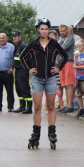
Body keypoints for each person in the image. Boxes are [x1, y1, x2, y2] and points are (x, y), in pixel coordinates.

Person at [20, 17, 67, 150]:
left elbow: (64, 55)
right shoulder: (33, 44)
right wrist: (29, 69)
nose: (44, 31)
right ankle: (36, 134)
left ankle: (52, 133)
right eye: (42, 29)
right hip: (37, 79)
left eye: (46, 29)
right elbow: (22, 57)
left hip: (51, 78)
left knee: (51, 106)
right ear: (38, 30)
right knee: (37, 107)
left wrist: (59, 68)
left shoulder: (54, 43)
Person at [0, 33, 15, 112]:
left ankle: (10, 107)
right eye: (0, 38)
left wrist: (11, 69)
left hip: (7, 73)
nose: (2, 39)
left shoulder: (11, 47)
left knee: (9, 90)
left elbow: (14, 59)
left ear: (6, 38)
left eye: (3, 38)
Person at [12, 31, 32, 114]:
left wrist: (28, 69)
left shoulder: (23, 46)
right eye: (13, 36)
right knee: (18, 88)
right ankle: (22, 106)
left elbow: (29, 59)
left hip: (23, 70)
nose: (14, 38)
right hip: (18, 70)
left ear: (20, 37)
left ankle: (29, 108)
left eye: (16, 36)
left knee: (24, 88)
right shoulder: (17, 46)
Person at [56, 25, 75, 113]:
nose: (62, 32)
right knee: (64, 85)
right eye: (61, 31)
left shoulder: (70, 38)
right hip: (61, 63)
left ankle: (70, 106)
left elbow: (62, 48)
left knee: (69, 84)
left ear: (67, 30)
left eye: (64, 31)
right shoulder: (59, 39)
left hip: (68, 62)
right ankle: (67, 105)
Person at [73, 39, 84, 118]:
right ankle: (81, 108)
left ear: (83, 46)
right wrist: (76, 58)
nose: (78, 48)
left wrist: (76, 67)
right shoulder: (77, 55)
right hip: (78, 77)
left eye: (80, 46)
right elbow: (74, 64)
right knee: (78, 93)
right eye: (77, 47)